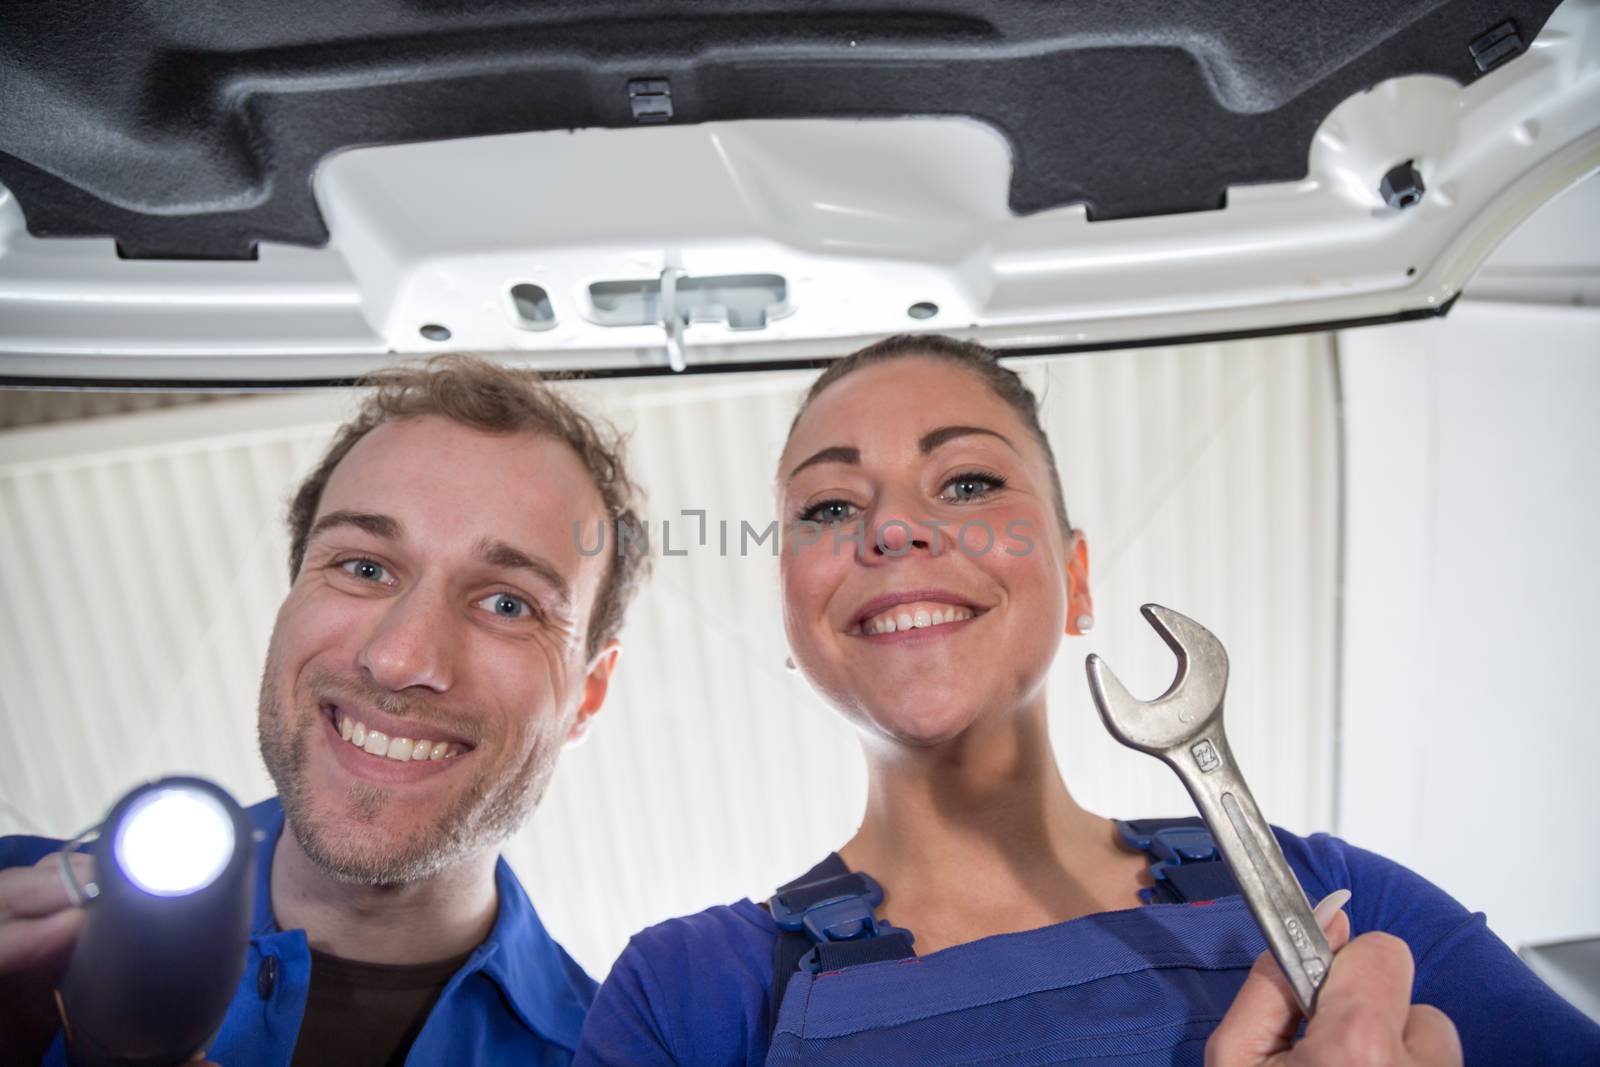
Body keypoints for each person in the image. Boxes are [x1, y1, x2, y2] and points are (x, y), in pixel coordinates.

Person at [574, 334, 1600, 1066]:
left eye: (967, 482)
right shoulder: (687, 994)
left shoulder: (1334, 897)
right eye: (830, 506)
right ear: (792, 618)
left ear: (1078, 577)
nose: (891, 529)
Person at [0, 355, 650, 1066]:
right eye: (365, 567)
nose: (401, 658)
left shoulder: (613, 1054)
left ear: (587, 695)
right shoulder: (12, 913)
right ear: (291, 598)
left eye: (507, 603)